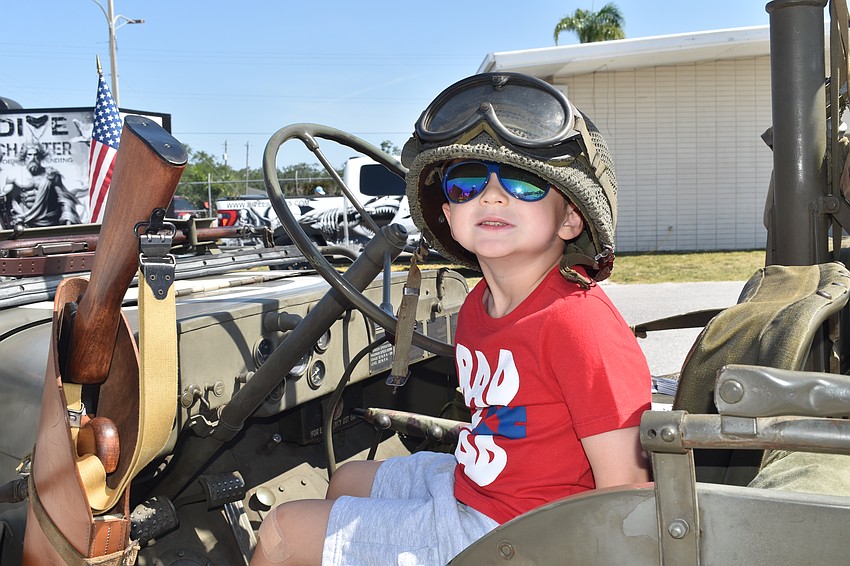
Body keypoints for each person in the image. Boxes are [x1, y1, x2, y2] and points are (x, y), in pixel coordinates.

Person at [250, 72, 651, 566]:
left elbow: (628, 491)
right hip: (481, 479)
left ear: (571, 218)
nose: (492, 195)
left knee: (282, 533)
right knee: (346, 479)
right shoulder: (478, 305)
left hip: (521, 533)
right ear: (448, 213)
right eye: (467, 181)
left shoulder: (579, 324)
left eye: (524, 182)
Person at [0, 143, 82, 229]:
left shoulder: (51, 175)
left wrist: (68, 216)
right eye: (30, 155)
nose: (33, 158)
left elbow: (64, 199)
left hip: (49, 221)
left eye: (36, 155)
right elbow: (4, 199)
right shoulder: (14, 176)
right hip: (25, 222)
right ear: (24, 157)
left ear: (41, 157)